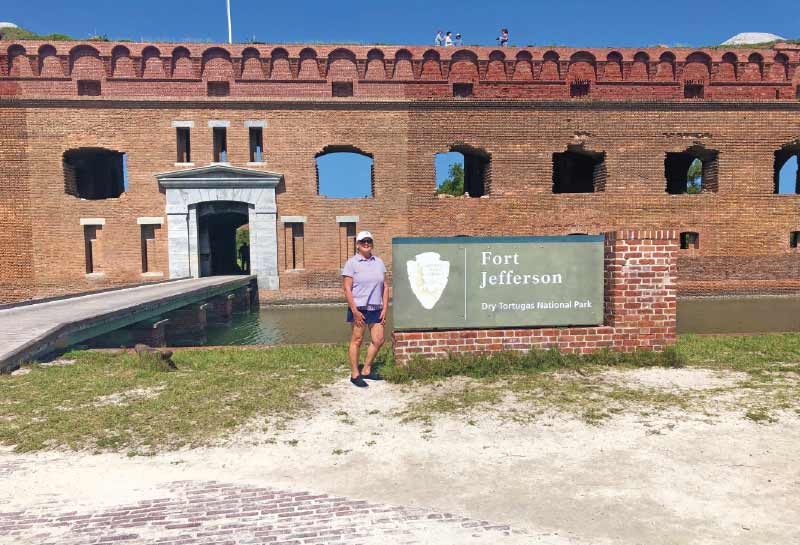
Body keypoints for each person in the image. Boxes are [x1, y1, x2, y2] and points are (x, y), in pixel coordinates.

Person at [341, 231, 389, 388]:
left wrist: (385, 308)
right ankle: (355, 374)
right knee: (357, 340)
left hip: (376, 307)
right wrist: (354, 310)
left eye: (369, 241)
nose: (366, 243)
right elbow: (347, 289)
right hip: (359, 308)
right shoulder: (352, 263)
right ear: (358, 244)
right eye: (363, 241)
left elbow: (385, 286)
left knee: (378, 340)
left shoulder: (379, 262)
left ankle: (367, 369)